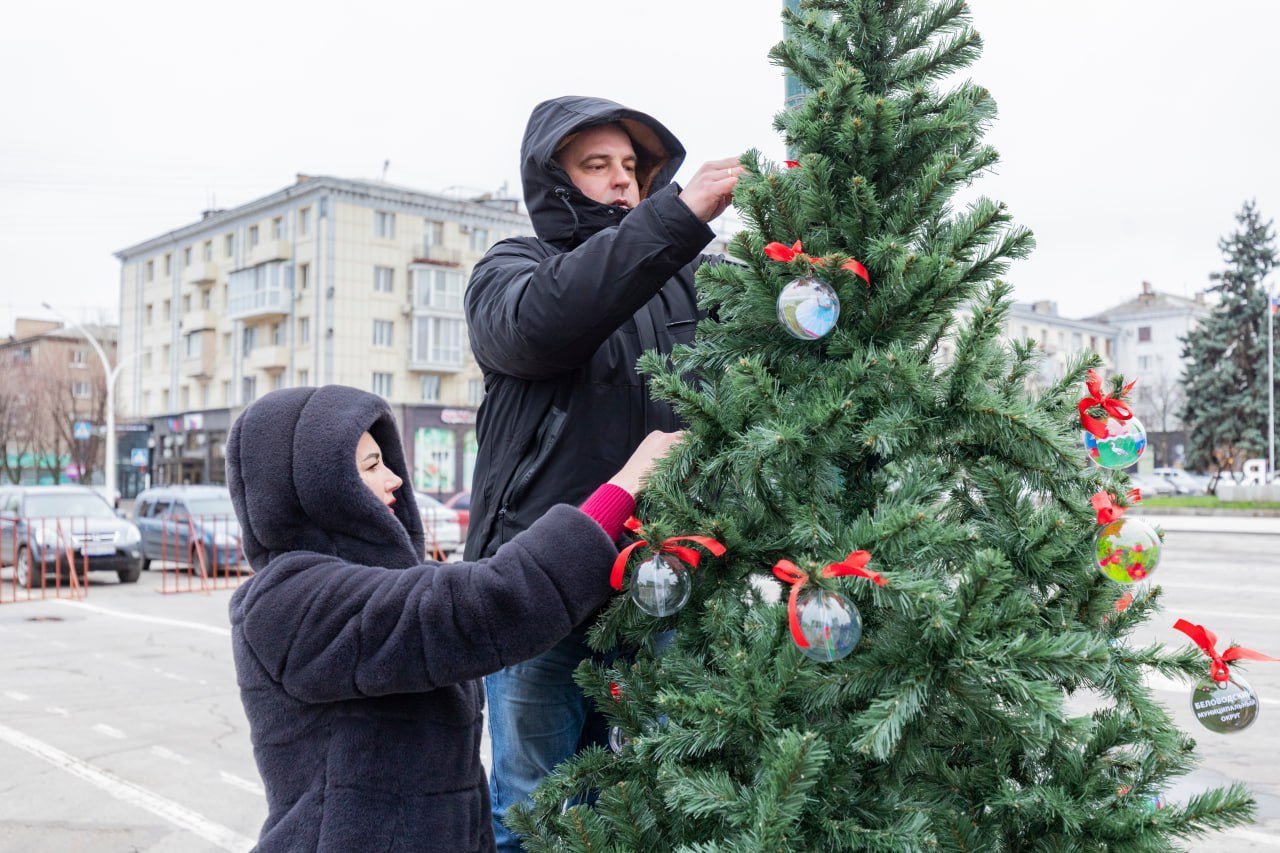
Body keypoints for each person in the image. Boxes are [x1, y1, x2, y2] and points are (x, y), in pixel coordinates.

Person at [225, 384, 680, 852]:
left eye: (384, 460)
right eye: (370, 465)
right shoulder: (288, 602)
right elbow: (485, 602)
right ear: (317, 486)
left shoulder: (387, 581)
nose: (394, 479)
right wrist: (623, 486)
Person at [464, 95, 741, 849]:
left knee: (663, 799)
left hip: (664, 585)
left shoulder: (695, 279)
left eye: (632, 167)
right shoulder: (512, 270)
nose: (623, 182)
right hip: (536, 588)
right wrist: (679, 216)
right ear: (553, 180)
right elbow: (546, 323)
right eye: (598, 166)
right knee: (533, 807)